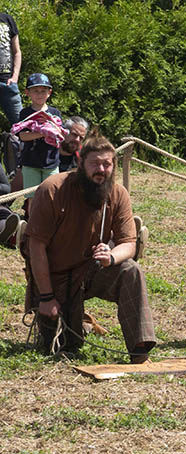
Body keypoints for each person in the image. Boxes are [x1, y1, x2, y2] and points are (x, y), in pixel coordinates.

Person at [23, 134, 156, 362]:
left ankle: (140, 351)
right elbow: (36, 247)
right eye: (95, 163)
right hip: (56, 278)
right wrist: (46, 297)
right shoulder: (53, 189)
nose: (101, 170)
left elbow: (128, 243)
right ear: (81, 162)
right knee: (63, 347)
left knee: (130, 271)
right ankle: (78, 324)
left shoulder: (117, 193)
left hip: (92, 271)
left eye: (107, 164)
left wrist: (111, 257)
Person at [15, 73, 63, 190]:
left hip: (51, 162)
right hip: (30, 162)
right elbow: (22, 136)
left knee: (52, 195)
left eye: (43, 91)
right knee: (32, 196)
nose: (39, 94)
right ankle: (31, 209)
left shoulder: (55, 112)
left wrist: (51, 127)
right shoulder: (25, 113)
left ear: (49, 92)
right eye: (35, 91)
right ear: (27, 93)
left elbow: (60, 134)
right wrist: (43, 132)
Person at [0, 10, 21, 126]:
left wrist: (15, 77)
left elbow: (17, 52)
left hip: (8, 84)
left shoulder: (7, 19)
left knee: (22, 127)